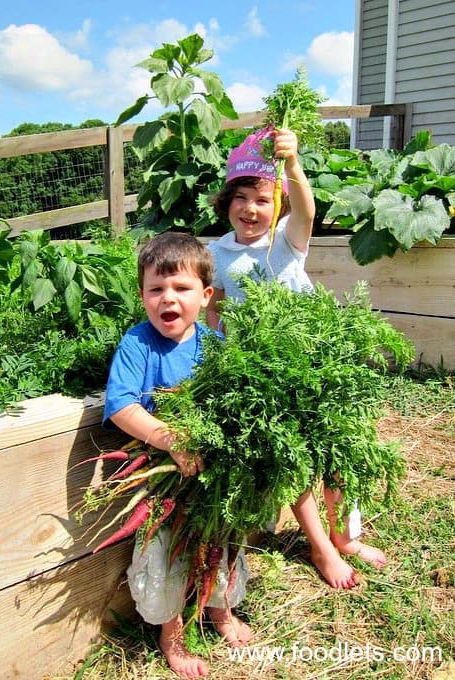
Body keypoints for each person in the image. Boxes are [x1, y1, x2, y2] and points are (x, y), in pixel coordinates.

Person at [206, 126, 387, 589]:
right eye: (242, 198)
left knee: (338, 450)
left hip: (312, 355)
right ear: (226, 203)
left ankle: (345, 535)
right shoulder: (216, 252)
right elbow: (215, 307)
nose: (251, 209)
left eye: (263, 200)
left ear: (278, 206)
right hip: (261, 366)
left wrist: (293, 166)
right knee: (294, 457)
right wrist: (216, 351)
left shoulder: (288, 239)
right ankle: (320, 547)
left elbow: (307, 208)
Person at [103, 232, 252, 680]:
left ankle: (220, 611)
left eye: (181, 288)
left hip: (213, 473)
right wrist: (170, 439)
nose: (168, 298)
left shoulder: (215, 346)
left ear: (206, 296)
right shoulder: (138, 344)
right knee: (168, 551)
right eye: (156, 289)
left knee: (222, 541)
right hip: (163, 472)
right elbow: (122, 406)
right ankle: (172, 632)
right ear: (143, 295)